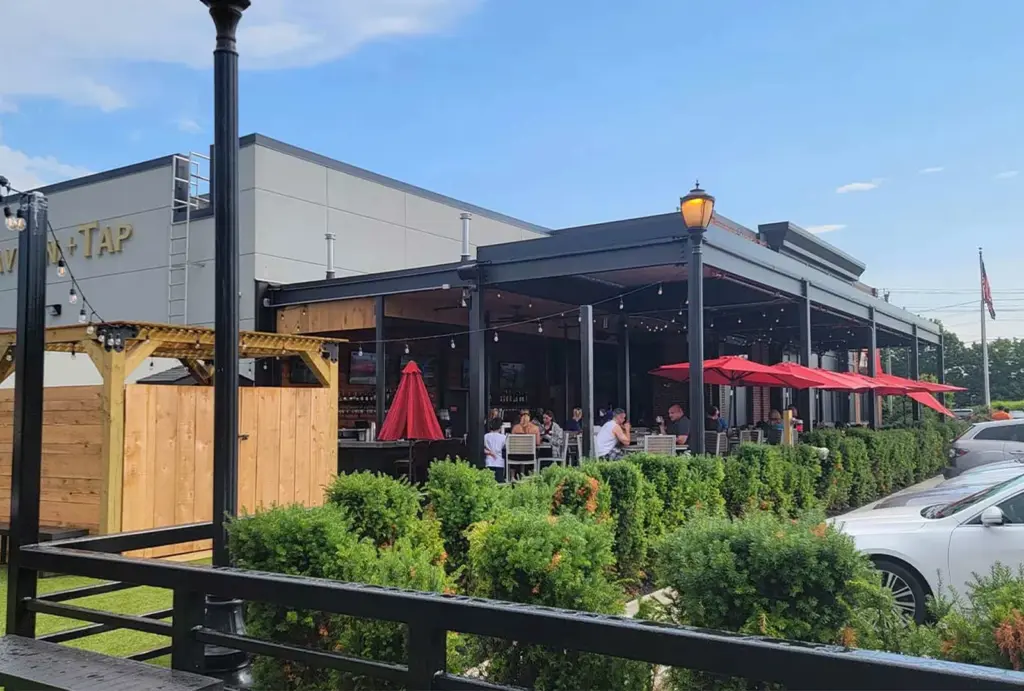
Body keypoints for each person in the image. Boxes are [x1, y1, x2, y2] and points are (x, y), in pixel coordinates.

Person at [483, 417, 507, 482]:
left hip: (488, 462)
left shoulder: (486, 436)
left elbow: (482, 449)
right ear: (500, 427)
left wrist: (489, 453)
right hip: (499, 462)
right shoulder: (504, 437)